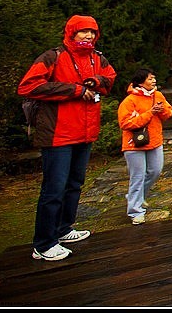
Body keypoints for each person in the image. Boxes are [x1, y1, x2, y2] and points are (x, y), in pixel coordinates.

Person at [18, 15, 116, 261]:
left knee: (74, 184)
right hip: (58, 134)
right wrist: (73, 89)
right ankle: (43, 243)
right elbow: (28, 86)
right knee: (54, 189)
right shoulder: (54, 57)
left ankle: (63, 229)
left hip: (84, 132)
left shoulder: (97, 58)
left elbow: (110, 79)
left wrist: (97, 81)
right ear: (71, 33)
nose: (88, 36)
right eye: (83, 32)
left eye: (92, 32)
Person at [117, 68, 172, 225]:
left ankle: (136, 196)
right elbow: (125, 123)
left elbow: (168, 113)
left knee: (155, 171)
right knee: (138, 176)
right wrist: (149, 113)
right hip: (134, 144)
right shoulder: (130, 101)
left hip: (154, 141)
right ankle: (135, 211)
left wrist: (162, 111)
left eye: (154, 78)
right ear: (140, 82)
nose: (153, 81)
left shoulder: (158, 95)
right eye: (149, 79)